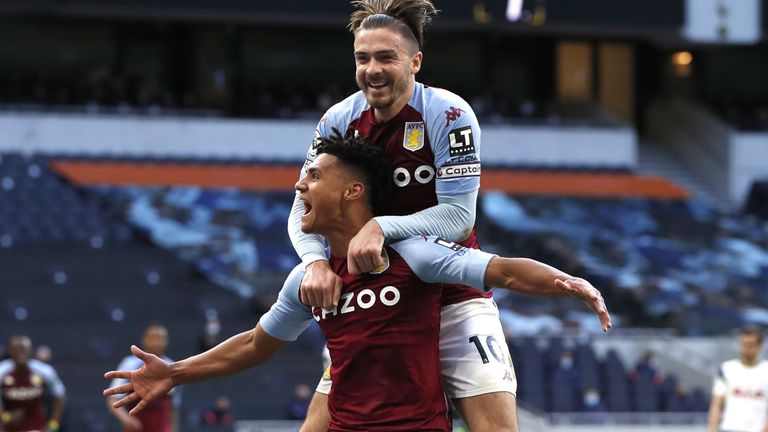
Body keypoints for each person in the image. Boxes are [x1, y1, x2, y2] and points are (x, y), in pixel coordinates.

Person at [104, 134, 611, 431]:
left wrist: (569, 282)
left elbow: (500, 269)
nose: (299, 185)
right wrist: (175, 373)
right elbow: (257, 344)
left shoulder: (412, 254)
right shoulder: (308, 280)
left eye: (313, 176)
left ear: (351, 190)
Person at [288, 0, 524, 430]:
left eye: (385, 57)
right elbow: (301, 206)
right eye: (363, 58)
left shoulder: (448, 114)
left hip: (452, 293)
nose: (372, 69)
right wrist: (316, 262)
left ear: (415, 61)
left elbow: (459, 218)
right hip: (374, 302)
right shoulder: (338, 120)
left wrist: (381, 225)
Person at [107, 324, 181, 432]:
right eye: (152, 338)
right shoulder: (130, 364)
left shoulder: (173, 367)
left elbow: (174, 406)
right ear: (144, 340)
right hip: (137, 427)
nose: (156, 342)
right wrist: (127, 420)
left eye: (159, 338)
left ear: (166, 341)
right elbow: (112, 399)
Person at [707, 327, 768, 432]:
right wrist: (712, 429)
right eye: (744, 344)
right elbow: (716, 404)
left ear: (760, 346)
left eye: (751, 345)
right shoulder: (727, 368)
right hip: (729, 428)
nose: (746, 348)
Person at [0, 335, 65, 432]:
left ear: (30, 351)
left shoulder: (44, 371)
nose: (21, 353)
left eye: (24, 349)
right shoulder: (2, 371)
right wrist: (6, 417)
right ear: (10, 351)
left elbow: (60, 395)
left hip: (36, 428)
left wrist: (53, 425)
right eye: (17, 349)